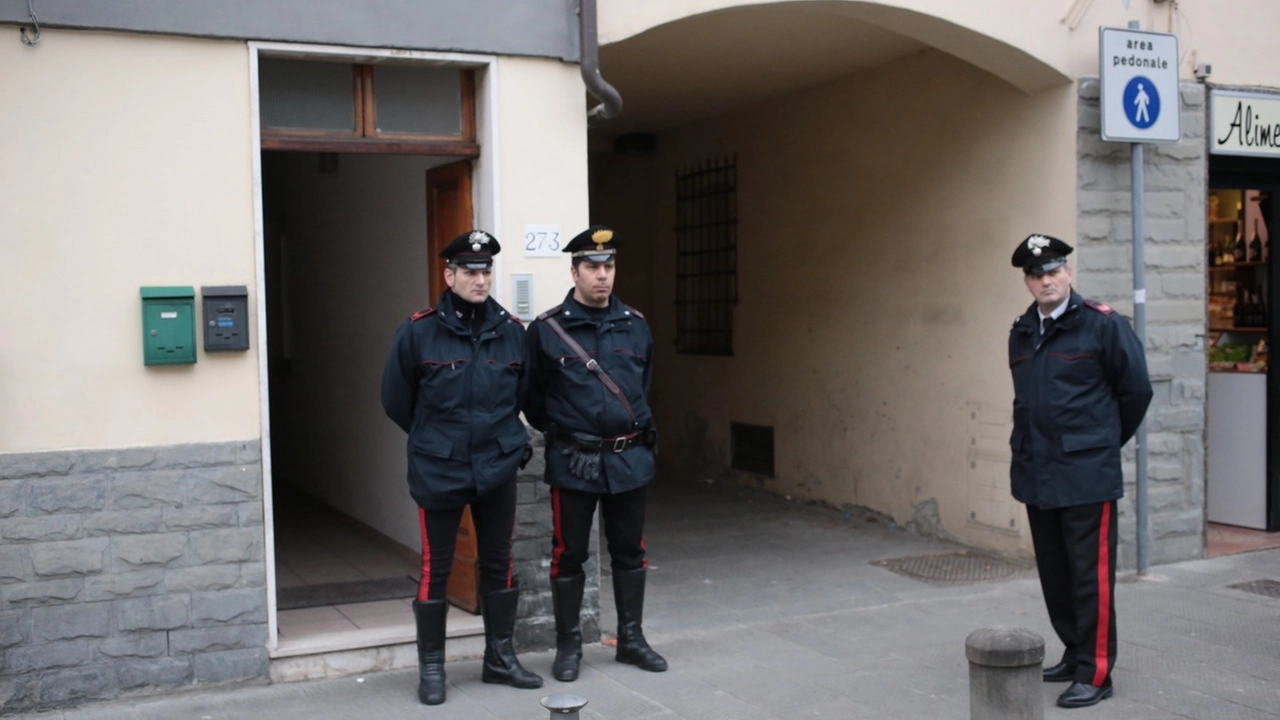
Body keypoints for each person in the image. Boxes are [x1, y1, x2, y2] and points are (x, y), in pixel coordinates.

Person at [380, 230, 542, 705]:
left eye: (486, 270)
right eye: (470, 271)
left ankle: (500, 658)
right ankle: (432, 668)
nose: (480, 278)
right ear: (449, 275)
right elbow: (395, 400)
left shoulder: (511, 330)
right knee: (438, 566)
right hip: (440, 469)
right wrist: (436, 440)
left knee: (499, 561)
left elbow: (524, 396)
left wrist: (506, 445)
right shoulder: (418, 331)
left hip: (496, 465)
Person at [1007, 233, 1152, 709]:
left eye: (1053, 271)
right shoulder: (1022, 331)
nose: (1046, 280)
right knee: (1057, 572)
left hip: (1086, 474)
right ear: (1027, 282)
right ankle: (1074, 652)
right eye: (1036, 274)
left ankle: (1097, 672)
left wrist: (1101, 445)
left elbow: (1135, 393)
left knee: (1091, 576)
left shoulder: (1102, 326)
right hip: (1038, 471)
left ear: (1068, 273)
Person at [523, 225, 668, 682]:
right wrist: (571, 433)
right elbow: (532, 399)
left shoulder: (636, 325)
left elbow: (641, 388)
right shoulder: (547, 331)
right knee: (568, 555)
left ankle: (631, 639)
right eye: (592, 267)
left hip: (628, 458)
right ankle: (569, 646)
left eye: (608, 266)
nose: (602, 276)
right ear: (574, 271)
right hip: (574, 461)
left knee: (630, 550)